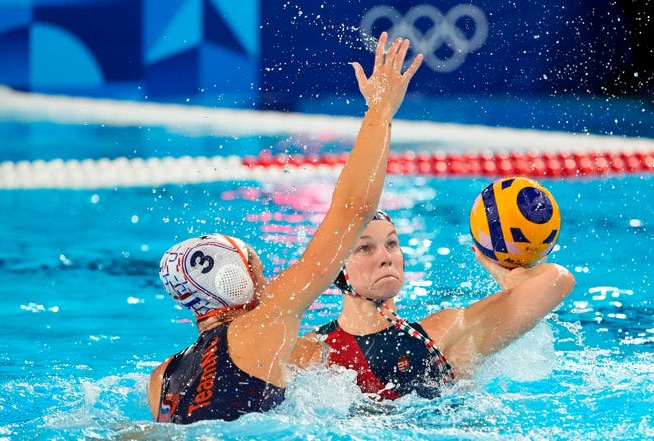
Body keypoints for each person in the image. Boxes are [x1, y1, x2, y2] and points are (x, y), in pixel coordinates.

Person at [146, 32, 424, 423]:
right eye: (257, 269)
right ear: (235, 283)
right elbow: (354, 210)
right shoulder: (265, 322)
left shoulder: (162, 377)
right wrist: (380, 111)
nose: (267, 278)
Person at [291, 210, 576, 400]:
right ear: (335, 270)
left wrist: (501, 272)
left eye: (392, 244)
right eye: (365, 248)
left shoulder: (443, 336)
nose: (386, 257)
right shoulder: (312, 352)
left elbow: (557, 280)